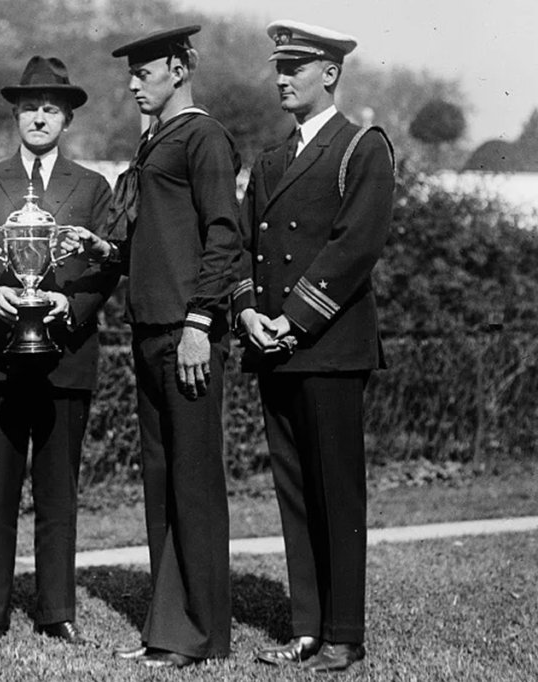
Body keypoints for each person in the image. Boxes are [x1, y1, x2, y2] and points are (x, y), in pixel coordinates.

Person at [233, 20, 395, 674]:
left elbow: (355, 246)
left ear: (329, 73)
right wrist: (246, 310)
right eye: (278, 66)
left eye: (295, 67)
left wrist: (293, 318)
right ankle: (307, 628)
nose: (281, 78)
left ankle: (345, 632)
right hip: (273, 346)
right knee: (295, 492)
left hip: (326, 346)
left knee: (336, 493)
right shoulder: (271, 159)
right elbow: (246, 245)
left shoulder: (362, 148)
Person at [77, 25, 242, 669]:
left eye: (143, 72)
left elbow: (225, 237)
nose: (132, 83)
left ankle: (200, 634)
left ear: (178, 68)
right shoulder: (154, 142)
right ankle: (167, 628)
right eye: (131, 74)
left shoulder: (203, 136)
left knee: (194, 482)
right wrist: (103, 250)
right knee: (161, 482)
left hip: (185, 333)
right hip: (148, 330)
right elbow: (148, 237)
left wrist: (201, 322)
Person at [0, 56, 118, 651]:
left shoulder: (92, 187)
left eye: (51, 108)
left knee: (58, 492)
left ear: (67, 117)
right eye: (30, 108)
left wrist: (70, 309)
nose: (40, 118)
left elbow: (106, 270)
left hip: (65, 357)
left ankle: (57, 610)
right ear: (15, 115)